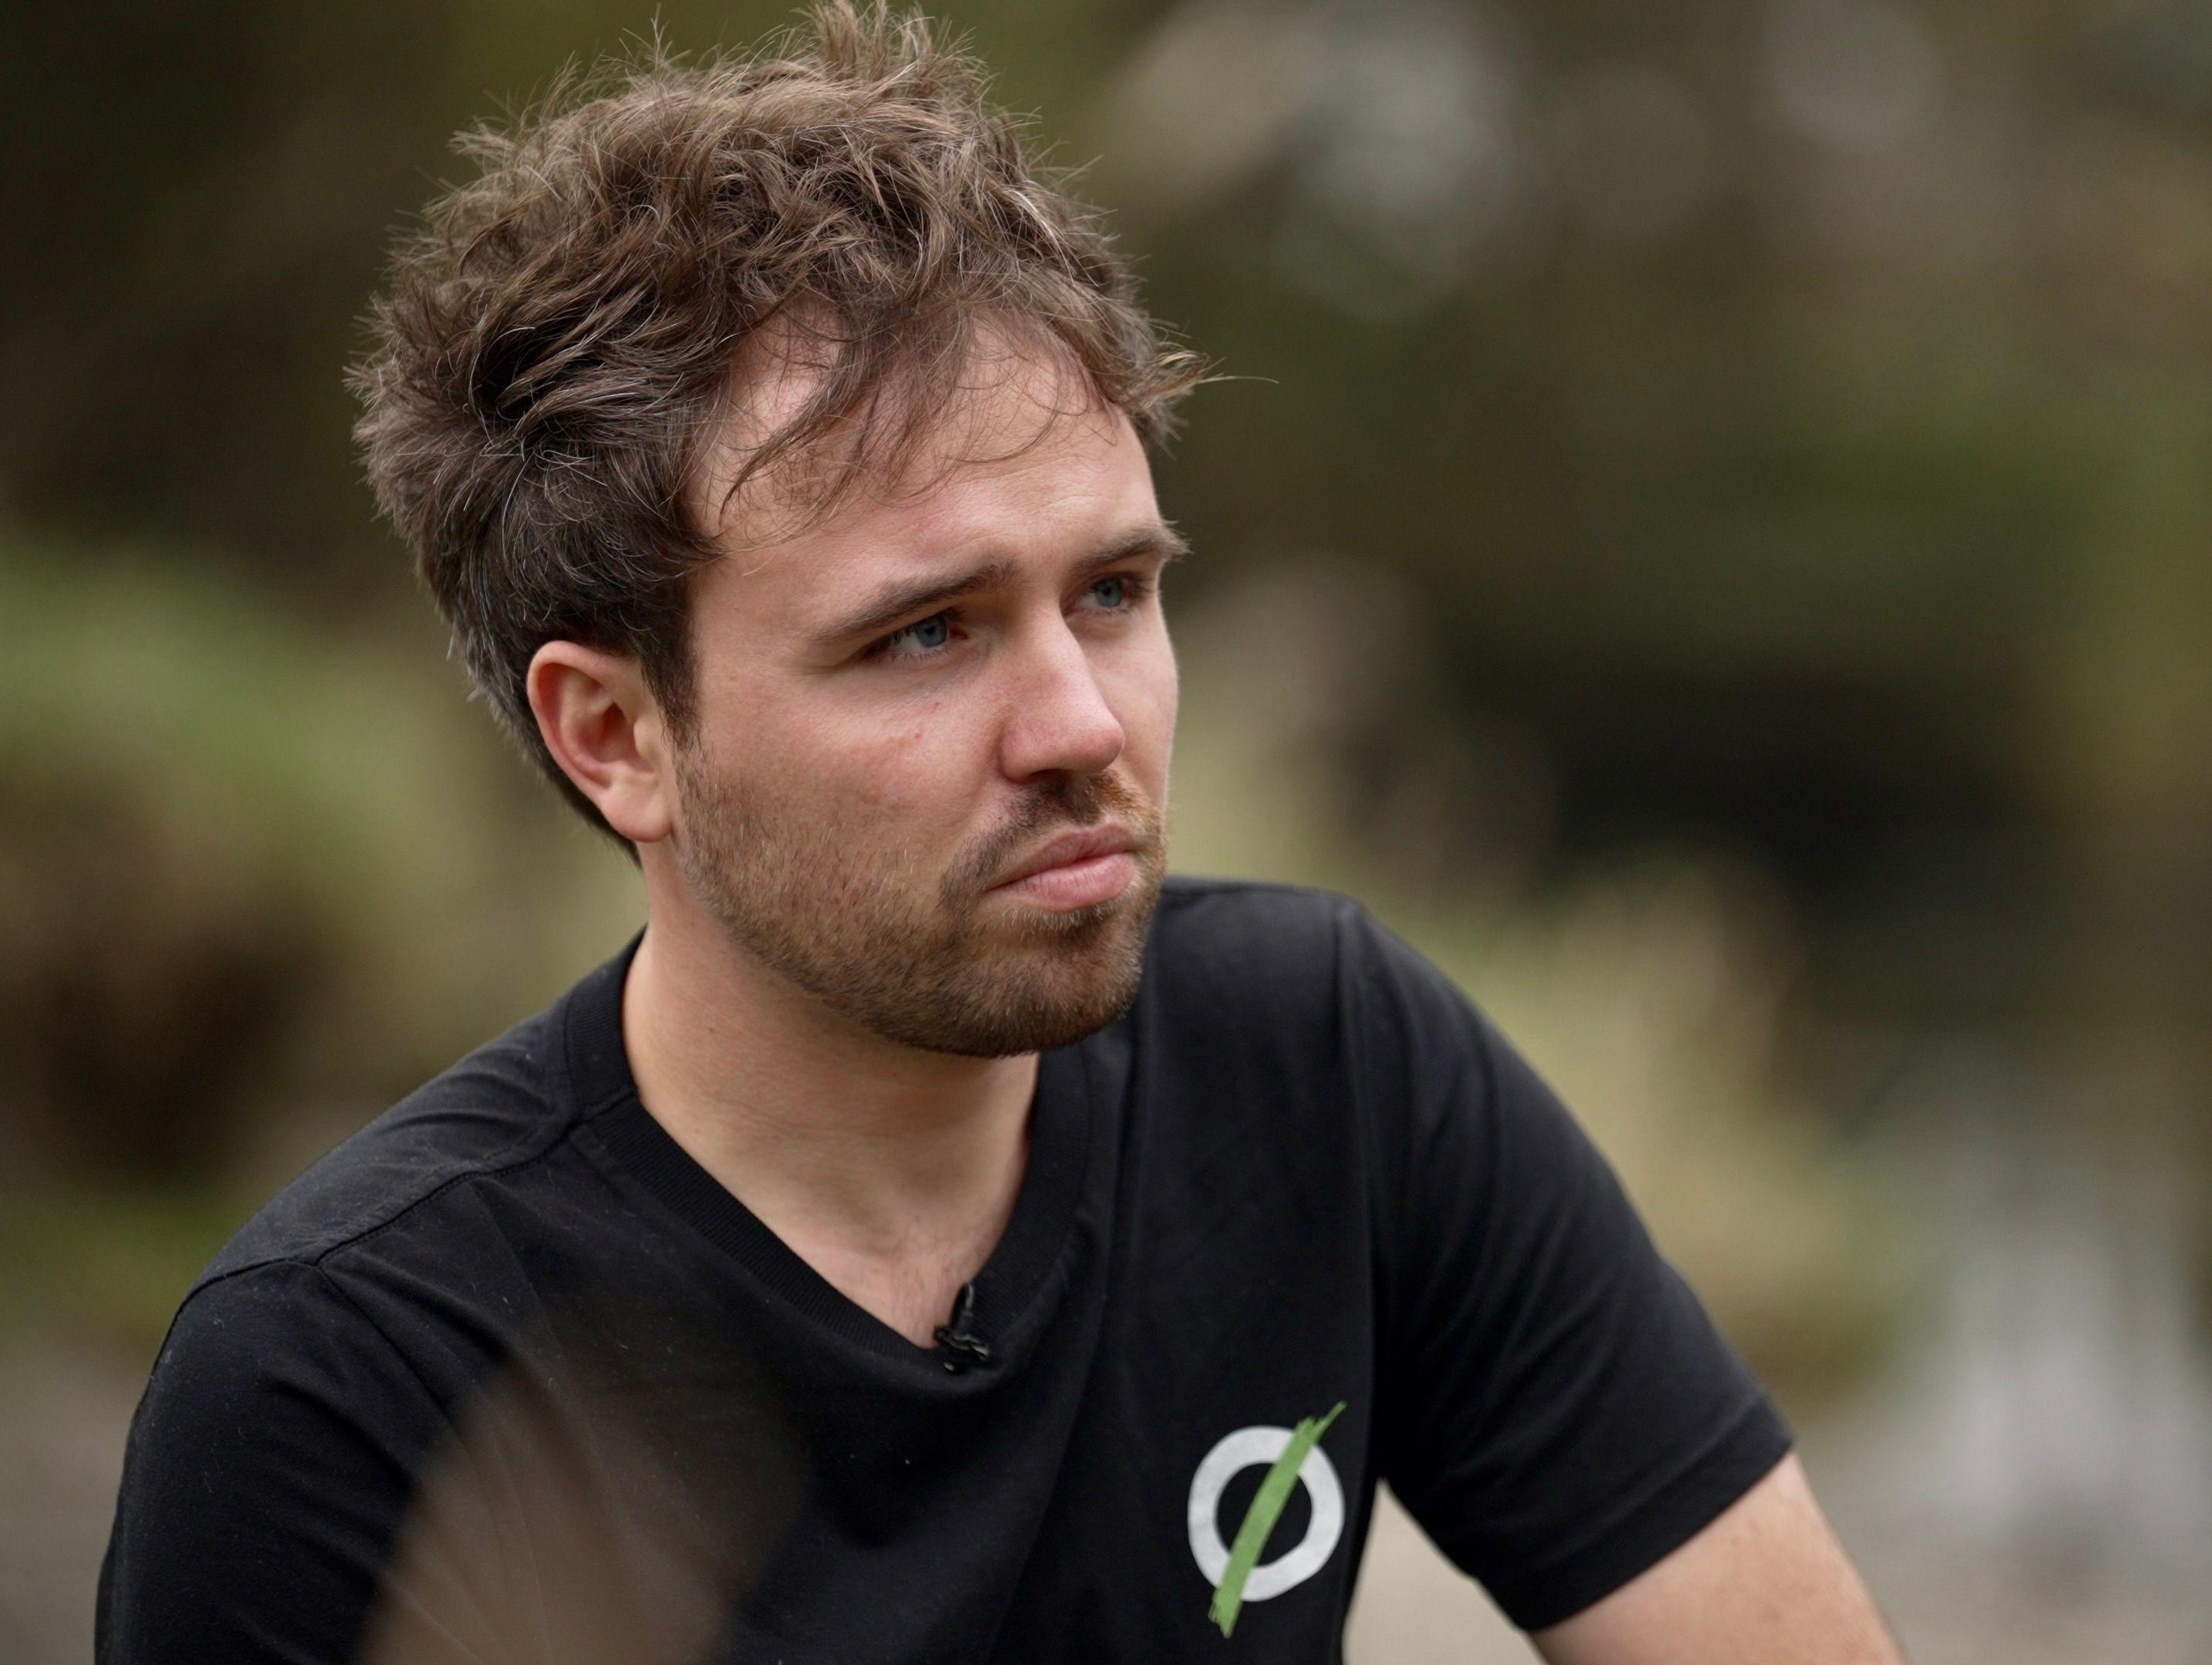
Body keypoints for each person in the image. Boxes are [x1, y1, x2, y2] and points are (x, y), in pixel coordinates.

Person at [95, 5, 1904, 1661]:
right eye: (926, 634)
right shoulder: (348, 1383)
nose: (1083, 726)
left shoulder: (1325, 1070)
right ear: (618, 734)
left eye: (1113, 591)